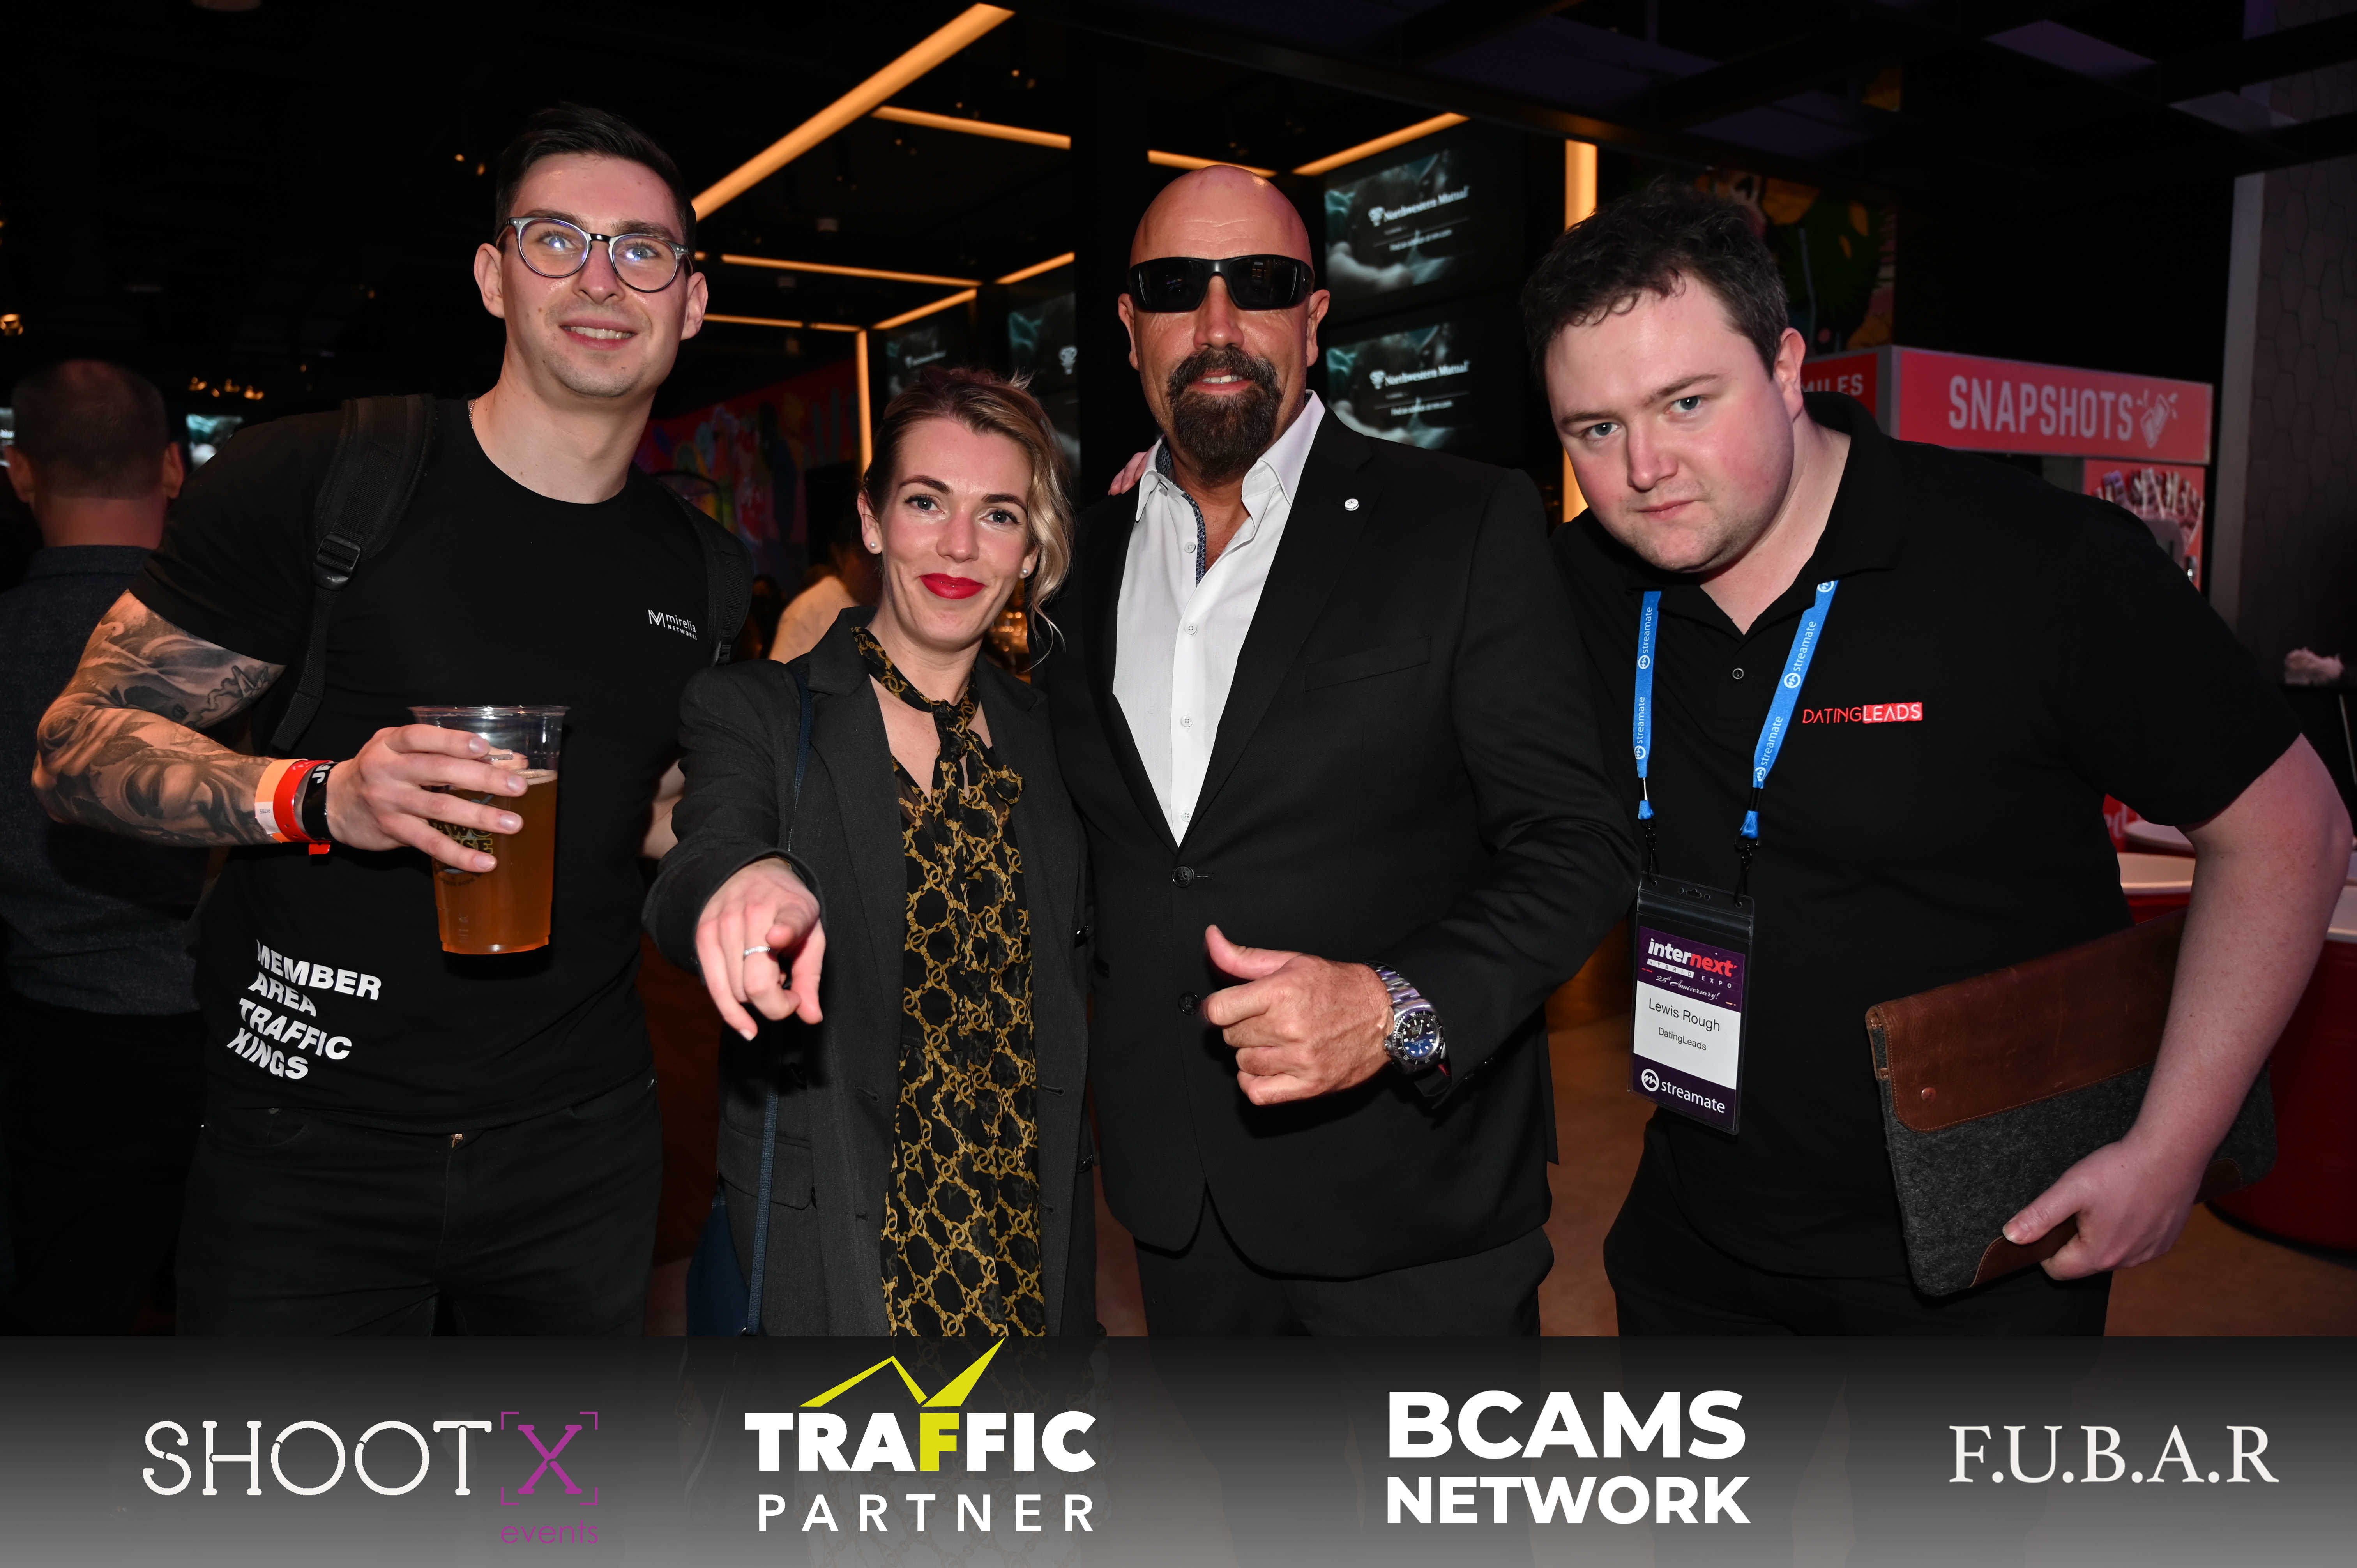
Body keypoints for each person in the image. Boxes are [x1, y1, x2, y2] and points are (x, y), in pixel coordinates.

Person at [1534, 181, 2349, 1335]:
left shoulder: (2037, 564)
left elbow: (2289, 832)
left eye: (1687, 402)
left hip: (1990, 1240)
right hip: (1701, 1225)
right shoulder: (1578, 587)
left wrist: (2174, 1146)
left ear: (1786, 368)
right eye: (1596, 430)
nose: (1645, 466)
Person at [32, 104, 746, 1335]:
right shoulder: (325, 477)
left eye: (643, 250)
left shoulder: (706, 568)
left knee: (560, 1475)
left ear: (690, 302)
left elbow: (653, 806)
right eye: (556, 239)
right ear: (492, 277)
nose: (600, 279)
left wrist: (770, 848)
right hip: (306, 1145)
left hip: (581, 1147)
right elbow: (75, 746)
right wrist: (321, 796)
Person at [1042, 166, 1636, 1335]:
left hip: (1414, 1209)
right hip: (1181, 1210)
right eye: (1176, 287)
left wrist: (1393, 1005)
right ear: (1129, 326)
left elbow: (1580, 844)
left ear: (1314, 319)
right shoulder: (1078, 561)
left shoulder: (1463, 520)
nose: (1218, 323)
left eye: (1261, 284)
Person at [647, 367, 1094, 1335]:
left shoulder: (1058, 739)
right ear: (873, 518)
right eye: (927, 501)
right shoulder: (759, 710)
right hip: (840, 1263)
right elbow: (706, 848)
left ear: (1030, 549)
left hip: (1026, 1262)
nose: (960, 544)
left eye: (999, 514)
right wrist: (744, 880)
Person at [0, 361, 205, 1332]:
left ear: (19, 471)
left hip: (60, 1037)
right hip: (252, 1030)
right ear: (172, 466)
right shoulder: (258, 636)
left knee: (68, 1319)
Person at [768, 504, 880, 666]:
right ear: (840, 557)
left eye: (877, 557)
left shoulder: (885, 605)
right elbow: (783, 675)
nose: (872, 566)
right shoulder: (810, 607)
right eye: (862, 556)